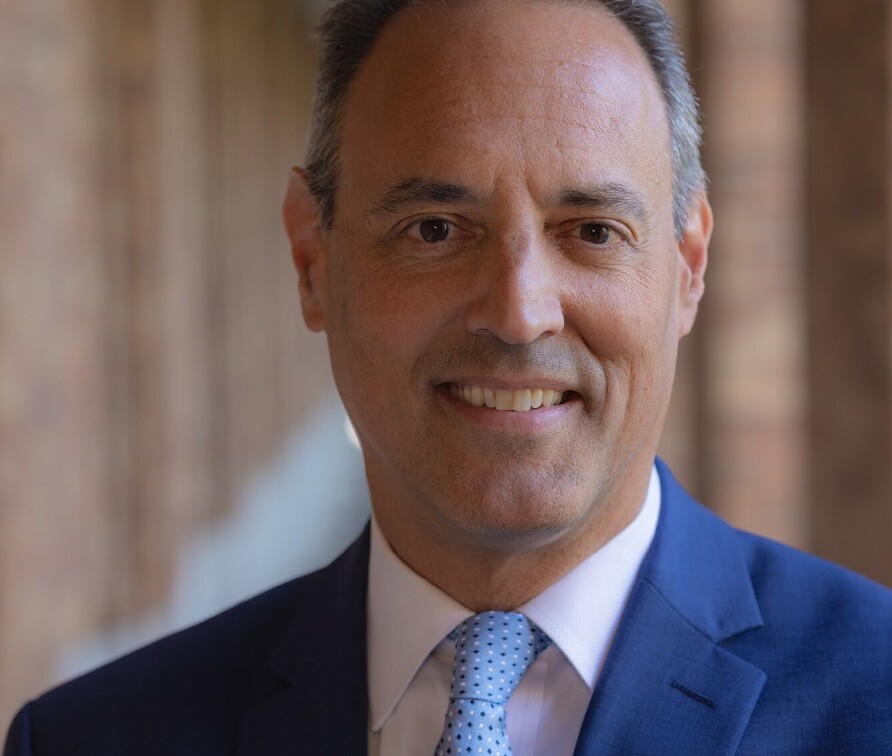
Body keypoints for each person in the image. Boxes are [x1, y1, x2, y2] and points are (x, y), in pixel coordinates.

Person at [5, 0, 891, 753]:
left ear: (688, 267)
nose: (518, 311)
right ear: (313, 260)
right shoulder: (93, 739)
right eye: (434, 229)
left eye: (591, 231)